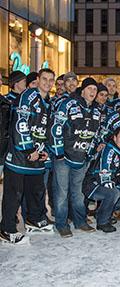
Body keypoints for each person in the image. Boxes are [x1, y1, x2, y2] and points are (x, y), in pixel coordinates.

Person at [0, 68, 55, 244]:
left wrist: (45, 150)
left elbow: (45, 131)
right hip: (20, 156)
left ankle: (34, 220)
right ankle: (7, 230)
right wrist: (29, 150)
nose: (47, 83)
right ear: (37, 80)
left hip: (36, 158)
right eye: (44, 79)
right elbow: (20, 123)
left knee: (36, 191)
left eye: (51, 80)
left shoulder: (48, 102)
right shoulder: (28, 96)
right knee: (14, 194)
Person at [49, 77, 101, 237]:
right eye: (90, 89)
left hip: (81, 159)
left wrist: (89, 154)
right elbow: (55, 127)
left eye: (95, 90)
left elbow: (97, 135)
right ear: (83, 90)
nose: (93, 92)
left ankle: (80, 221)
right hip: (63, 158)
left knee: (78, 193)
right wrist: (58, 152)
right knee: (62, 193)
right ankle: (62, 224)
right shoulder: (69, 104)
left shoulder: (97, 111)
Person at [82, 126, 120, 233]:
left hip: (103, 183)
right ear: (114, 138)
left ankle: (101, 213)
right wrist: (116, 188)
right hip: (92, 184)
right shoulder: (109, 151)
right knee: (113, 193)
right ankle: (102, 222)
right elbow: (105, 175)